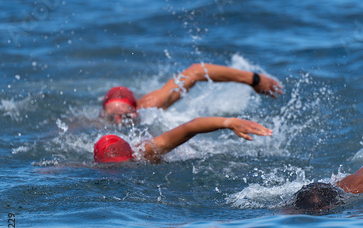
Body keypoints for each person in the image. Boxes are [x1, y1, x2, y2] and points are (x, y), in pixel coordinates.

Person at [100, 63, 283, 124]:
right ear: (101, 115)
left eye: (125, 116)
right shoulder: (91, 124)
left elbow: (195, 72)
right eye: (112, 117)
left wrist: (254, 79)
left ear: (137, 109)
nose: (118, 122)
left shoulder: (151, 106)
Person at [94, 117, 272, 163]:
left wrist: (229, 122)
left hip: (186, 153)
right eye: (111, 168)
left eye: (122, 166)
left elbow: (191, 126)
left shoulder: (146, 152)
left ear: (132, 156)